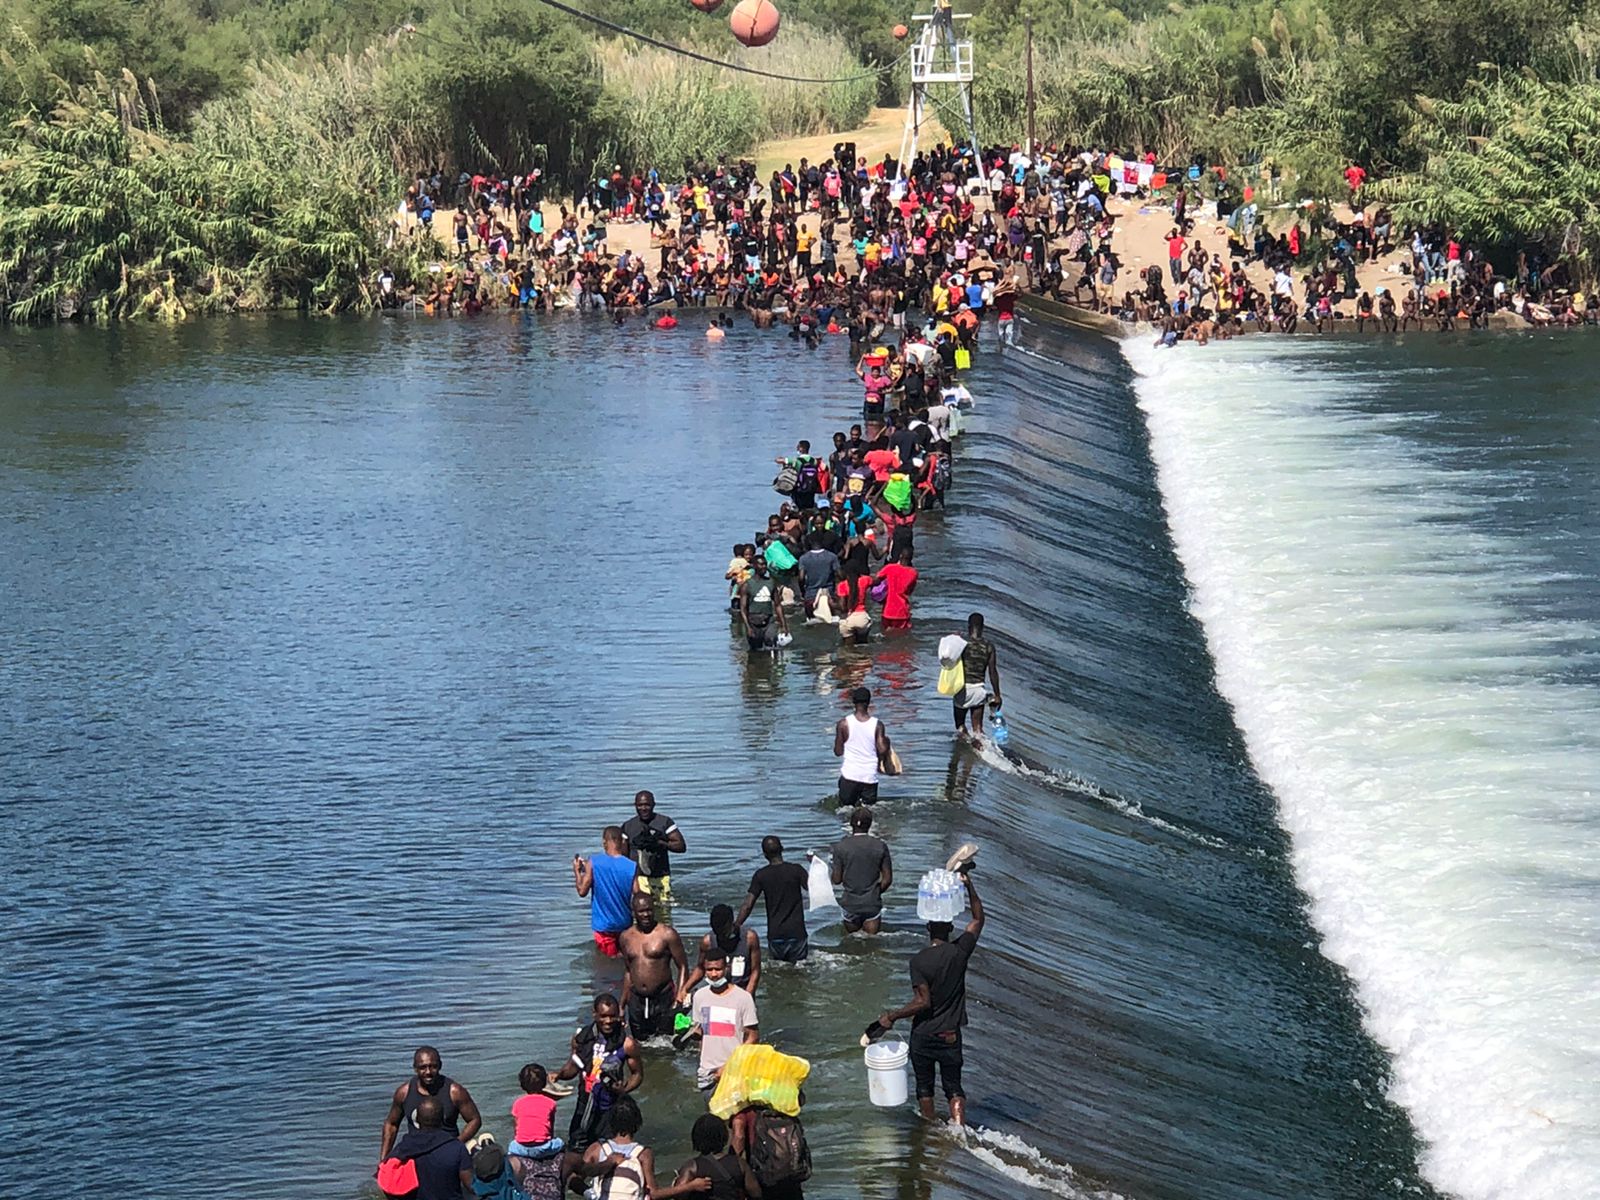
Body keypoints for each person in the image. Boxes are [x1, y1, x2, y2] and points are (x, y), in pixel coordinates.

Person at [877, 869, 983, 1126]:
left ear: (927, 928)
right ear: (949, 927)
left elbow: (922, 1002)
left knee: (925, 1087)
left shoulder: (919, 961)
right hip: (950, 1035)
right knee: (953, 1086)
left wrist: (891, 1016)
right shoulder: (960, 952)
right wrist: (969, 886)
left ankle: (930, 1130)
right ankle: (959, 1129)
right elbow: (978, 919)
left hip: (924, 1035)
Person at [557, 995, 643, 1184]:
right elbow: (573, 1067)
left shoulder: (627, 1044)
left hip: (610, 1108)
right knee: (575, 1154)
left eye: (612, 1016)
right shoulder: (581, 1039)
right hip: (584, 1105)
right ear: (594, 1014)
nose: (608, 1021)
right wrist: (558, 1075)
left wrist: (624, 1089)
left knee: (607, 1155)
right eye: (603, 1016)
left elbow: (638, 1075)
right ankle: (578, 1190)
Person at [380, 1046, 483, 1164]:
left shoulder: (454, 1092)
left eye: (433, 1066)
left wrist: (456, 1144)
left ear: (440, 1066)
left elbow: (474, 1120)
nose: (428, 1072)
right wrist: (383, 1160)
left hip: (446, 1150)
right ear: (415, 1068)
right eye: (423, 1067)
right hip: (415, 1150)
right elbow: (391, 1124)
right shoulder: (404, 1093)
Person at [617, 893, 688, 1040]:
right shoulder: (625, 937)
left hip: (663, 998)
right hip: (636, 1000)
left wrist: (679, 997)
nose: (646, 915)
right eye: (641, 911)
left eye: (649, 910)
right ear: (633, 912)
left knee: (665, 1045)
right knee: (640, 1044)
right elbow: (629, 972)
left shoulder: (667, 934)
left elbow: (682, 966)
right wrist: (622, 1004)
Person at [688, 948, 760, 1091]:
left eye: (718, 969)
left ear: (727, 968)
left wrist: (729, 1066)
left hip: (735, 1071)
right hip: (707, 1073)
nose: (714, 974)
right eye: (709, 970)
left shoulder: (743, 998)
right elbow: (700, 1032)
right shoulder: (699, 996)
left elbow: (753, 1037)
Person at [734, 836, 810, 963]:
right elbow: (813, 888)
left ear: (764, 854)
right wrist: (815, 865)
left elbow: (748, 905)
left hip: (776, 934)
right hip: (797, 932)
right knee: (800, 970)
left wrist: (736, 925)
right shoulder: (796, 870)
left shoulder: (761, 875)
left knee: (779, 970)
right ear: (782, 849)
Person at [383, 1097, 474, 1200]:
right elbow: (471, 1185)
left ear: (417, 1120)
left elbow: (386, 1180)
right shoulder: (457, 1148)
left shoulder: (404, 1149)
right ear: (442, 1119)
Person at [574, 826, 641, 957]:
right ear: (622, 842)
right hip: (625, 923)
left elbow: (582, 891)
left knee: (607, 962)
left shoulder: (594, 862)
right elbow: (638, 894)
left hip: (604, 926)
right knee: (625, 961)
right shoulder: (631, 865)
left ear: (604, 842)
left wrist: (577, 871)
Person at [667, 1114, 761, 1199]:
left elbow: (679, 1195)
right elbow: (756, 1193)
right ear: (724, 1136)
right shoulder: (740, 1163)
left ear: (696, 1139)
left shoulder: (692, 1166)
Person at [831, 806, 892, 936]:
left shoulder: (840, 846)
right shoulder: (880, 845)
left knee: (852, 942)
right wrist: (874, 892)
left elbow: (836, 880)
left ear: (851, 824)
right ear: (870, 824)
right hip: (871, 903)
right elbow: (887, 879)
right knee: (872, 942)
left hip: (850, 903)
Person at [680, 903, 762, 999]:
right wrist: (685, 989)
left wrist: (747, 995)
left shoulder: (749, 938)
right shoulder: (708, 941)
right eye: (716, 931)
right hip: (717, 993)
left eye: (723, 931)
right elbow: (700, 968)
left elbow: (755, 970)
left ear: (731, 922)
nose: (720, 935)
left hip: (742, 991)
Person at [621, 789, 685, 902]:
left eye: (647, 805)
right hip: (638, 879)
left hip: (660, 877)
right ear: (635, 805)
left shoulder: (664, 822)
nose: (643, 808)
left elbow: (681, 846)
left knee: (663, 913)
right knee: (641, 913)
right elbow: (623, 857)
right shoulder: (628, 826)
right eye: (640, 805)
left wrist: (660, 843)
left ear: (653, 805)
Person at [833, 686, 891, 808]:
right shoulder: (877, 725)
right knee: (868, 813)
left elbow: (838, 752)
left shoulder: (843, 724)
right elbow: (882, 750)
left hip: (850, 776)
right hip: (869, 777)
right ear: (869, 702)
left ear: (853, 702)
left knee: (845, 813)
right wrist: (887, 742)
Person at [953, 612, 1002, 741]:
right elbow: (992, 672)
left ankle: (970, 744)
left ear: (969, 626)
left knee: (960, 725)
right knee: (978, 730)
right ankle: (983, 750)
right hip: (979, 690)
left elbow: (950, 661)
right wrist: (998, 694)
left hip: (962, 689)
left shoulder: (963, 643)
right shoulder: (989, 646)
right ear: (982, 627)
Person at [508, 1063, 564, 1161]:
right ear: (544, 1083)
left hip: (522, 1148)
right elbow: (550, 1130)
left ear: (522, 1085)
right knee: (560, 1143)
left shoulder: (518, 1103)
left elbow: (516, 1129)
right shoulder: (550, 1102)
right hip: (543, 1148)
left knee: (512, 1146)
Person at [738, 555, 789, 652]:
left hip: (768, 621)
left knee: (771, 643)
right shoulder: (746, 585)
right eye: (761, 564)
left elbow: (778, 605)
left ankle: (770, 665)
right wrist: (748, 627)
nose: (764, 567)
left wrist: (784, 625)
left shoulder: (771, 582)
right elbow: (743, 609)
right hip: (753, 622)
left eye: (765, 564)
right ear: (754, 566)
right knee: (755, 650)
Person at [872, 546, 918, 630]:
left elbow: (876, 580)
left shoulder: (890, 568)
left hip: (888, 610)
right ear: (911, 558)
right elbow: (910, 591)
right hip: (902, 611)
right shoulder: (913, 573)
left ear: (900, 556)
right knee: (902, 636)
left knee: (886, 633)